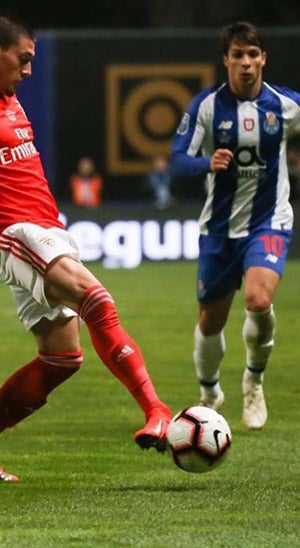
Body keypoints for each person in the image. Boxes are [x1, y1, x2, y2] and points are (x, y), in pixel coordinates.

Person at [0, 11, 171, 482]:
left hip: (46, 230)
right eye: (23, 60)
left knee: (62, 359)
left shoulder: (7, 98)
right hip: (11, 234)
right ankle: (156, 410)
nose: (29, 71)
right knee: (97, 301)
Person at [170, 21, 295, 430]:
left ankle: (254, 383)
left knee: (259, 301)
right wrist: (207, 162)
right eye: (237, 55)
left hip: (268, 221)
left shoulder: (285, 105)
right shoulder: (206, 106)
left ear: (263, 59)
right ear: (226, 60)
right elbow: (177, 159)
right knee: (211, 322)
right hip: (220, 229)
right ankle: (209, 394)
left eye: (252, 55)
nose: (245, 63)